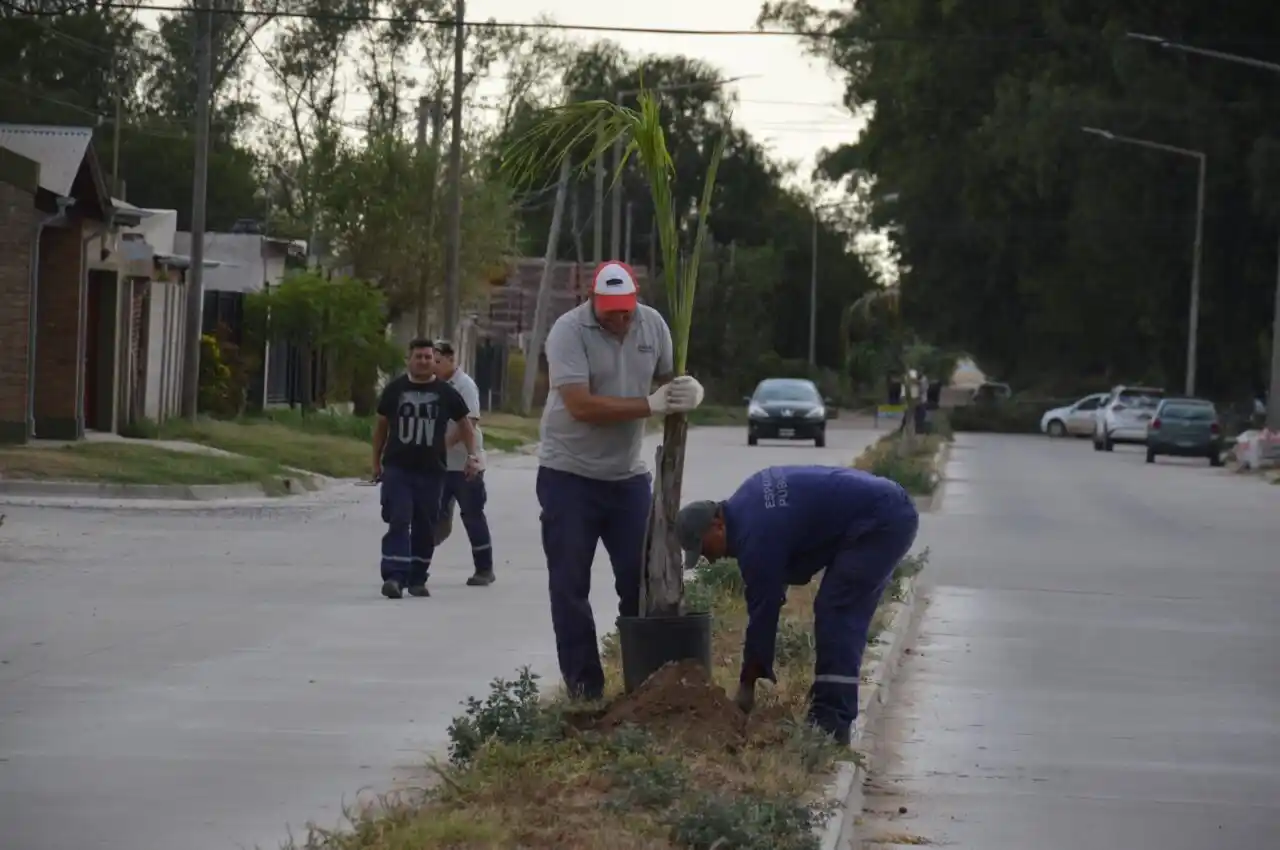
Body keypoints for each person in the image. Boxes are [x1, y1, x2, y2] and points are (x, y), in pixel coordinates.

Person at [537, 260, 705, 701]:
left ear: (636, 301)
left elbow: (670, 379)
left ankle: (645, 685)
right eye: (610, 311)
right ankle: (584, 687)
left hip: (627, 478)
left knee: (639, 579)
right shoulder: (568, 332)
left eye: (626, 310)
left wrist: (690, 390)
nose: (619, 319)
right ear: (592, 300)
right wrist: (649, 406)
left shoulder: (653, 326)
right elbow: (580, 405)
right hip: (568, 474)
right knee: (570, 584)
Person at [675, 464, 920, 745]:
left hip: (882, 520)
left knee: (838, 611)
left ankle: (831, 724)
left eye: (705, 549)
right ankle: (828, 705)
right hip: (882, 505)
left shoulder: (755, 537)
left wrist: (749, 679)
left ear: (717, 524)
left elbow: (763, 611)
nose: (710, 559)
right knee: (834, 608)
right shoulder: (747, 503)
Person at [372, 338, 480, 600]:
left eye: (428, 357)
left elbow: (465, 424)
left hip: (431, 471)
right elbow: (382, 426)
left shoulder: (446, 392)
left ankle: (418, 578)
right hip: (398, 468)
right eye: (418, 357)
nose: (423, 361)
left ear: (434, 360)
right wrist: (375, 461)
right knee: (399, 519)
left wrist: (472, 456)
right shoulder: (395, 389)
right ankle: (394, 577)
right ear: (409, 360)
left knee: (425, 525)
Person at [432, 339, 495, 587]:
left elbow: (470, 422)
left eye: (438, 361)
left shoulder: (464, 385)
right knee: (432, 515)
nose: (434, 366)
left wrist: (443, 444)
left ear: (451, 360)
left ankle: (484, 568)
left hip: (465, 463)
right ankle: (415, 564)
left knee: (472, 515)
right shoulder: (432, 385)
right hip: (439, 465)